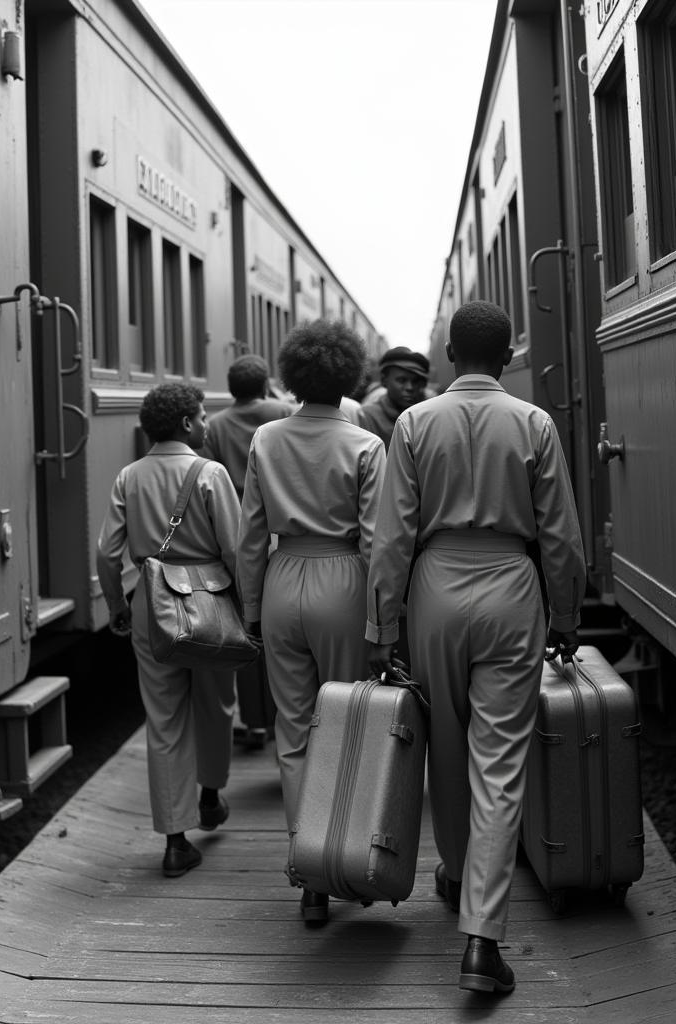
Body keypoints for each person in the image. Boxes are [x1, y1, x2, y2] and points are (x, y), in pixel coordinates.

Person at [366, 301, 585, 994]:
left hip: (433, 587)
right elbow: (562, 537)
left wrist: (384, 627)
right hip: (511, 589)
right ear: (507, 352)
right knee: (500, 762)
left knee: (447, 745)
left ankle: (456, 871)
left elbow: (391, 536)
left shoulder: (412, 423)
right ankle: (482, 941)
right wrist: (567, 613)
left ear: (453, 355)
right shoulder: (533, 423)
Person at [237, 319, 386, 926]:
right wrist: (383, 622)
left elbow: (250, 534)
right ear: (350, 377)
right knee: (346, 726)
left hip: (282, 578)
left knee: (293, 732)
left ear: (293, 377)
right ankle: (340, 860)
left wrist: (250, 608)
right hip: (344, 580)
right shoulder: (363, 445)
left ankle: (308, 876)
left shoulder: (267, 439)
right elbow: (377, 542)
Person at [96, 383, 241, 879]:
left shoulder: (128, 476)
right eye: (202, 417)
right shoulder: (210, 473)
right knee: (217, 702)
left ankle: (176, 843)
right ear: (185, 423)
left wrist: (118, 603)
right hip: (211, 601)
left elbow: (106, 553)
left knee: (163, 719)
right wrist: (251, 609)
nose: (206, 424)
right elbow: (235, 550)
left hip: (150, 605)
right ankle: (209, 796)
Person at [202, 355, 292, 750]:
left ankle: (254, 722)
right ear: (263, 385)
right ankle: (282, 717)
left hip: (238, 532)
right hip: (283, 529)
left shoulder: (217, 423)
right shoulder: (284, 411)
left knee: (246, 627)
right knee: (284, 634)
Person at [202, 355, 293, 499]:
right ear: (265, 387)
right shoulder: (286, 412)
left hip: (236, 509)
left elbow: (208, 475)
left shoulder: (214, 425)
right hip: (279, 505)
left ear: (231, 388)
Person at [358, 346, 431, 450]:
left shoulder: (428, 416)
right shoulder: (368, 416)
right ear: (384, 381)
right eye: (401, 380)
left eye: (415, 382)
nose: (409, 387)